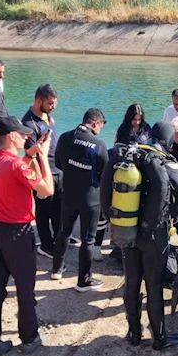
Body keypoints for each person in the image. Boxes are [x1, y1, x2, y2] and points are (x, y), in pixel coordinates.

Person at [101, 121, 178, 350]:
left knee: (131, 283)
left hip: (128, 231)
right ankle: (159, 339)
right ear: (169, 142)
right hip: (155, 237)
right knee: (153, 286)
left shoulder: (131, 157)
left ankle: (134, 335)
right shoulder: (167, 164)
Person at [0, 116, 55, 356]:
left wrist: (30, 154)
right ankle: (30, 337)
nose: (26, 137)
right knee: (25, 289)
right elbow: (47, 189)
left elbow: (15, 170)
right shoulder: (16, 165)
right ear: (11, 136)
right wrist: (42, 156)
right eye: (22, 134)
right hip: (17, 233)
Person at [51, 108, 109, 291]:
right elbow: (105, 175)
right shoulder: (99, 145)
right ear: (95, 123)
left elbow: (59, 163)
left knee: (63, 232)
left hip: (68, 194)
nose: (101, 129)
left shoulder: (65, 137)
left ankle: (57, 269)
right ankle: (83, 280)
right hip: (90, 199)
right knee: (88, 239)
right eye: (101, 125)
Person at [22, 84, 62, 259]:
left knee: (58, 209)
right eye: (50, 103)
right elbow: (31, 157)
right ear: (39, 101)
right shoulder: (29, 124)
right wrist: (40, 182)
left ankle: (58, 237)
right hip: (44, 173)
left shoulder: (47, 117)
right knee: (43, 212)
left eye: (54, 103)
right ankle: (46, 245)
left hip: (57, 170)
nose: (53, 107)